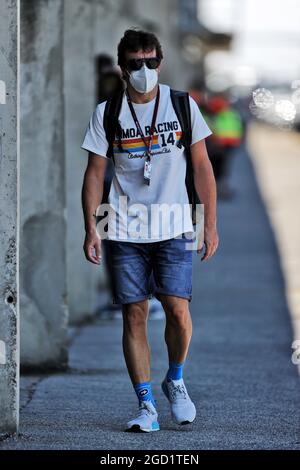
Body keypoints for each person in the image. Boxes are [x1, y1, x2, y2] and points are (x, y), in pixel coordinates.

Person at [81, 29, 218, 432]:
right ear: (123, 68)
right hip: (122, 225)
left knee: (178, 310)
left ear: (161, 62)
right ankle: (145, 406)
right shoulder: (107, 112)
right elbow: (94, 174)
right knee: (134, 314)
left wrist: (209, 223)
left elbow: (203, 167)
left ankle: (175, 379)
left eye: (151, 62)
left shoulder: (181, 105)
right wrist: (92, 228)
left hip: (175, 223)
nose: (145, 70)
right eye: (136, 63)